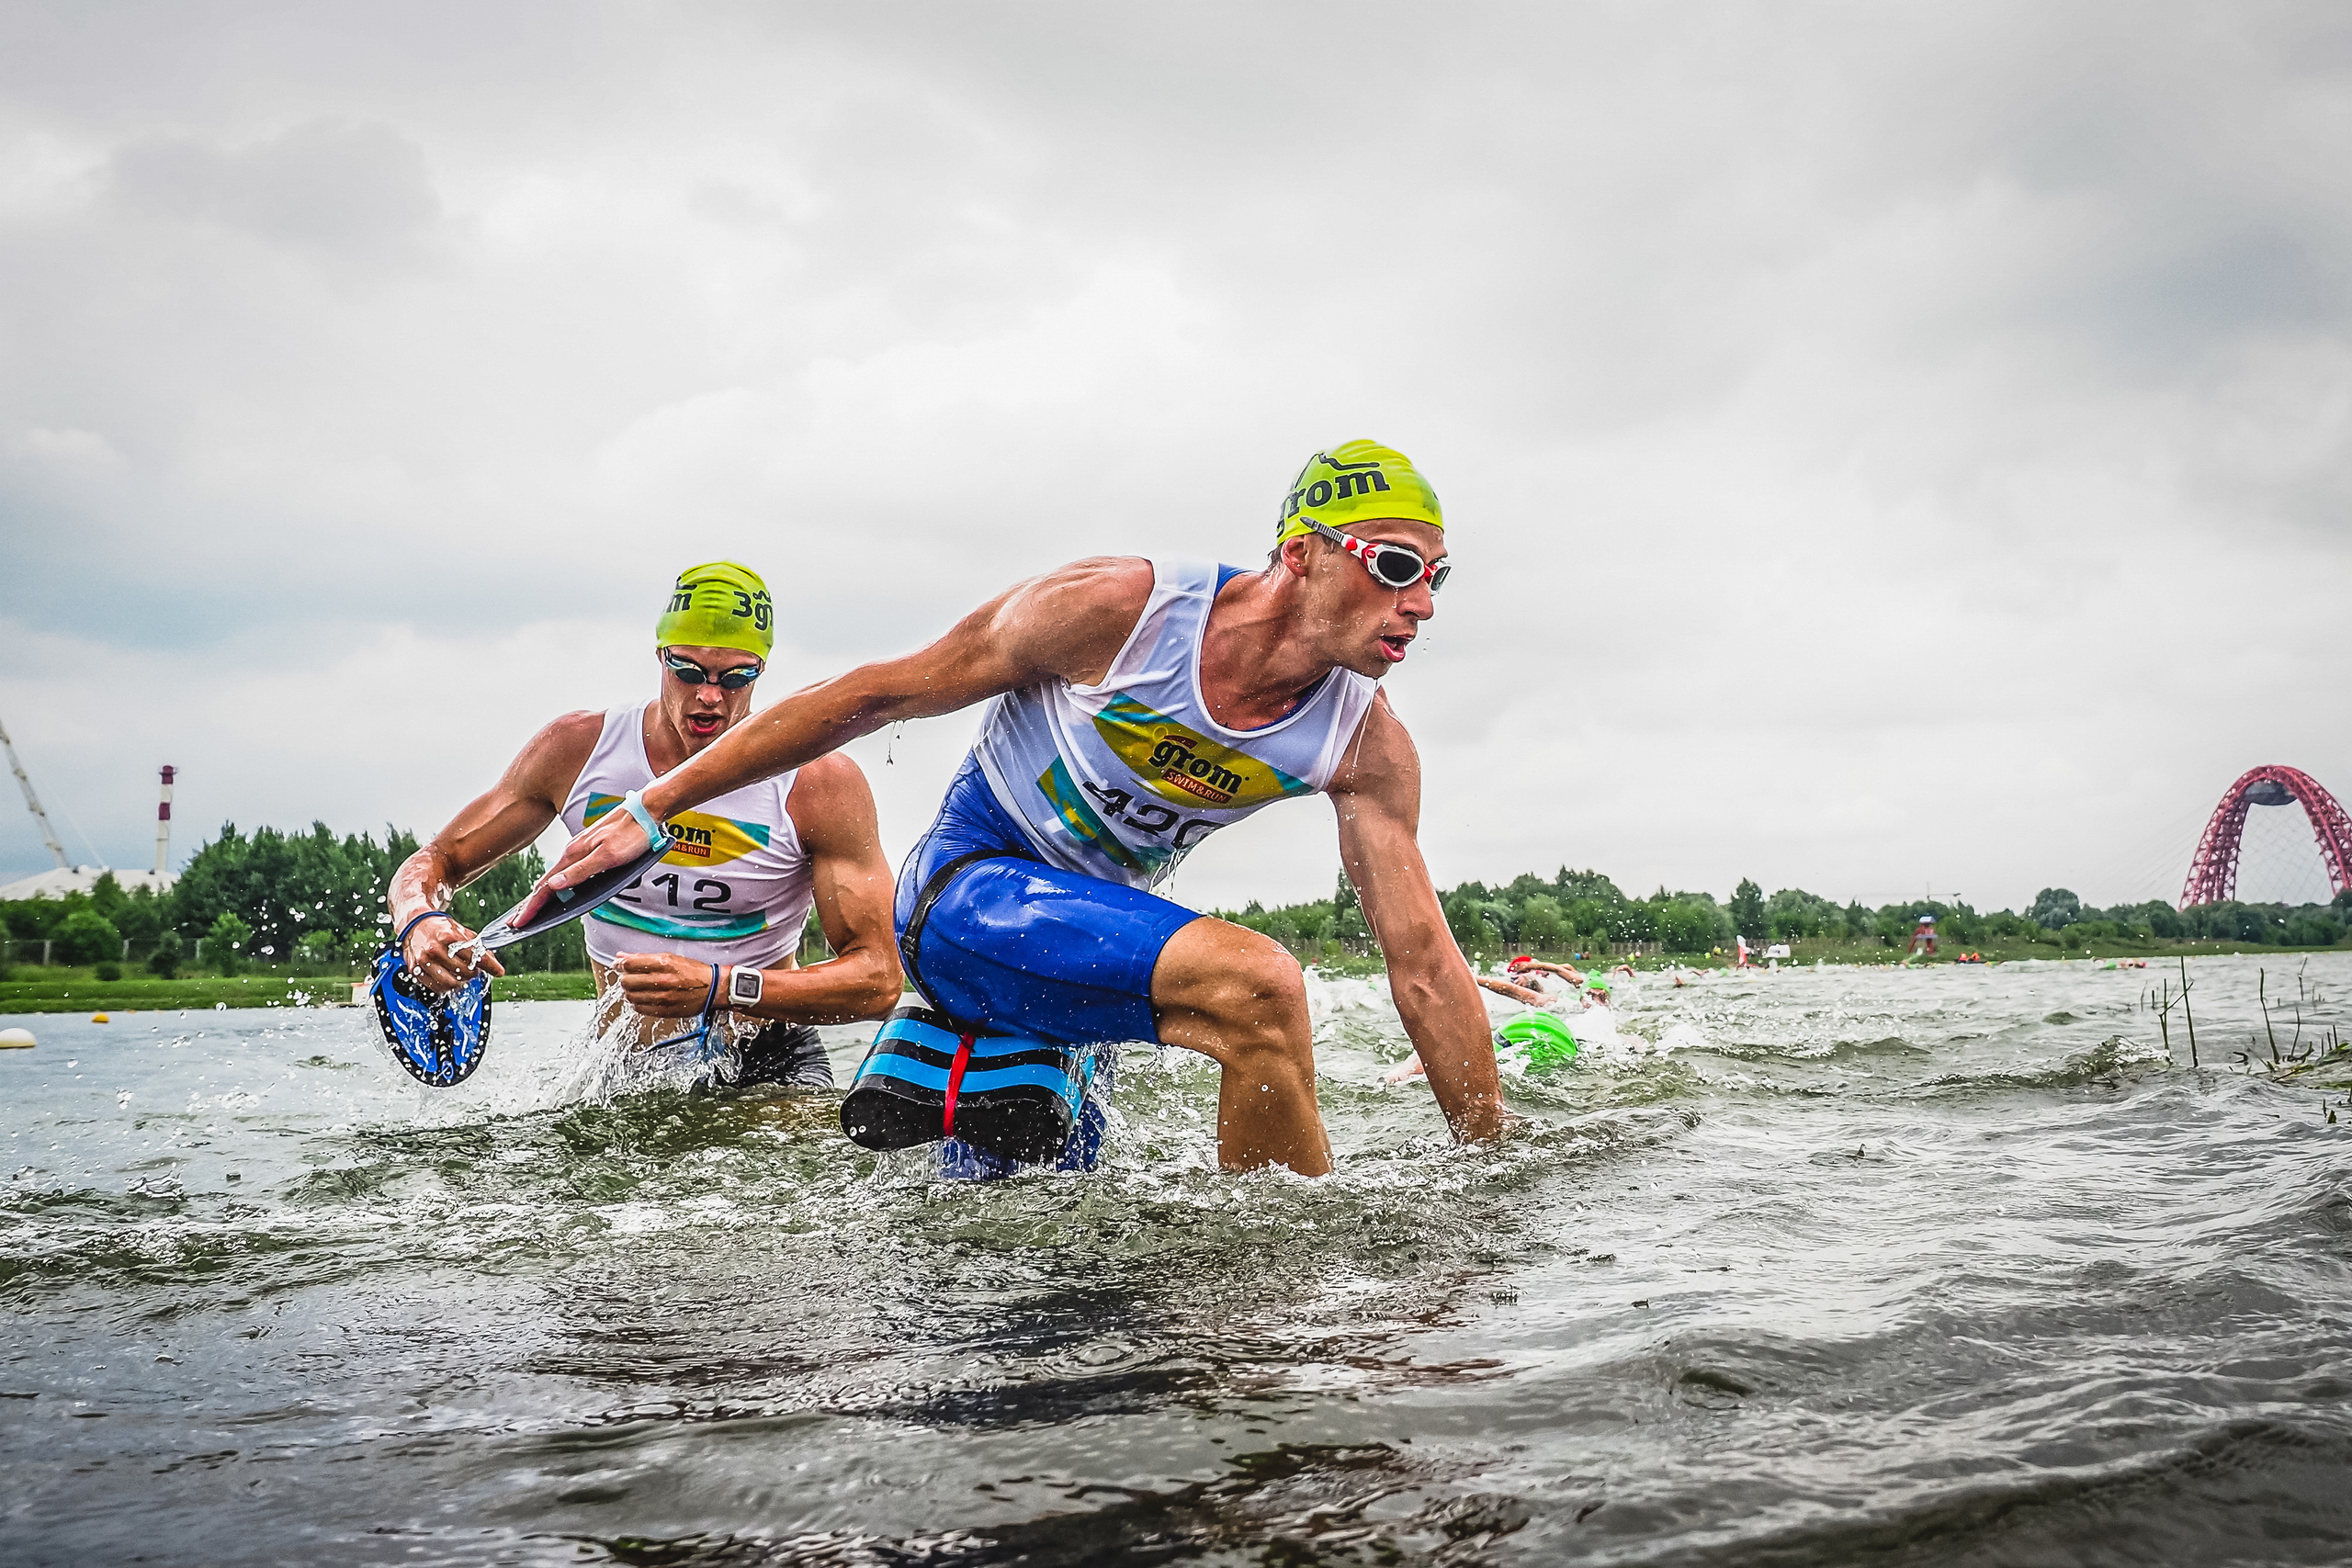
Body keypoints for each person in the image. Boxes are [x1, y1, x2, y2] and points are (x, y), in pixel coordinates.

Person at [525, 441, 1510, 1173]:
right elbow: (879, 692)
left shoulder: (1363, 747)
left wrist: (1487, 1168)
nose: (1419, 601)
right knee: (1258, 989)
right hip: (963, 894)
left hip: (1084, 949)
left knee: (1020, 1260)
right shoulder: (1121, 612)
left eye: (1437, 577)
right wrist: (653, 807)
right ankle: (1276, 1315)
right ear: (1301, 553)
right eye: (1394, 566)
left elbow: (1421, 960)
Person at [385, 561, 902, 1088]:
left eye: (736, 677)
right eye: (689, 671)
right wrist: (417, 919)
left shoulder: (818, 784)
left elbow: (879, 979)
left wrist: (719, 985)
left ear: (761, 671)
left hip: (766, 1060)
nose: (710, 696)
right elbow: (438, 861)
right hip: (619, 1064)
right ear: (660, 655)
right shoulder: (578, 752)